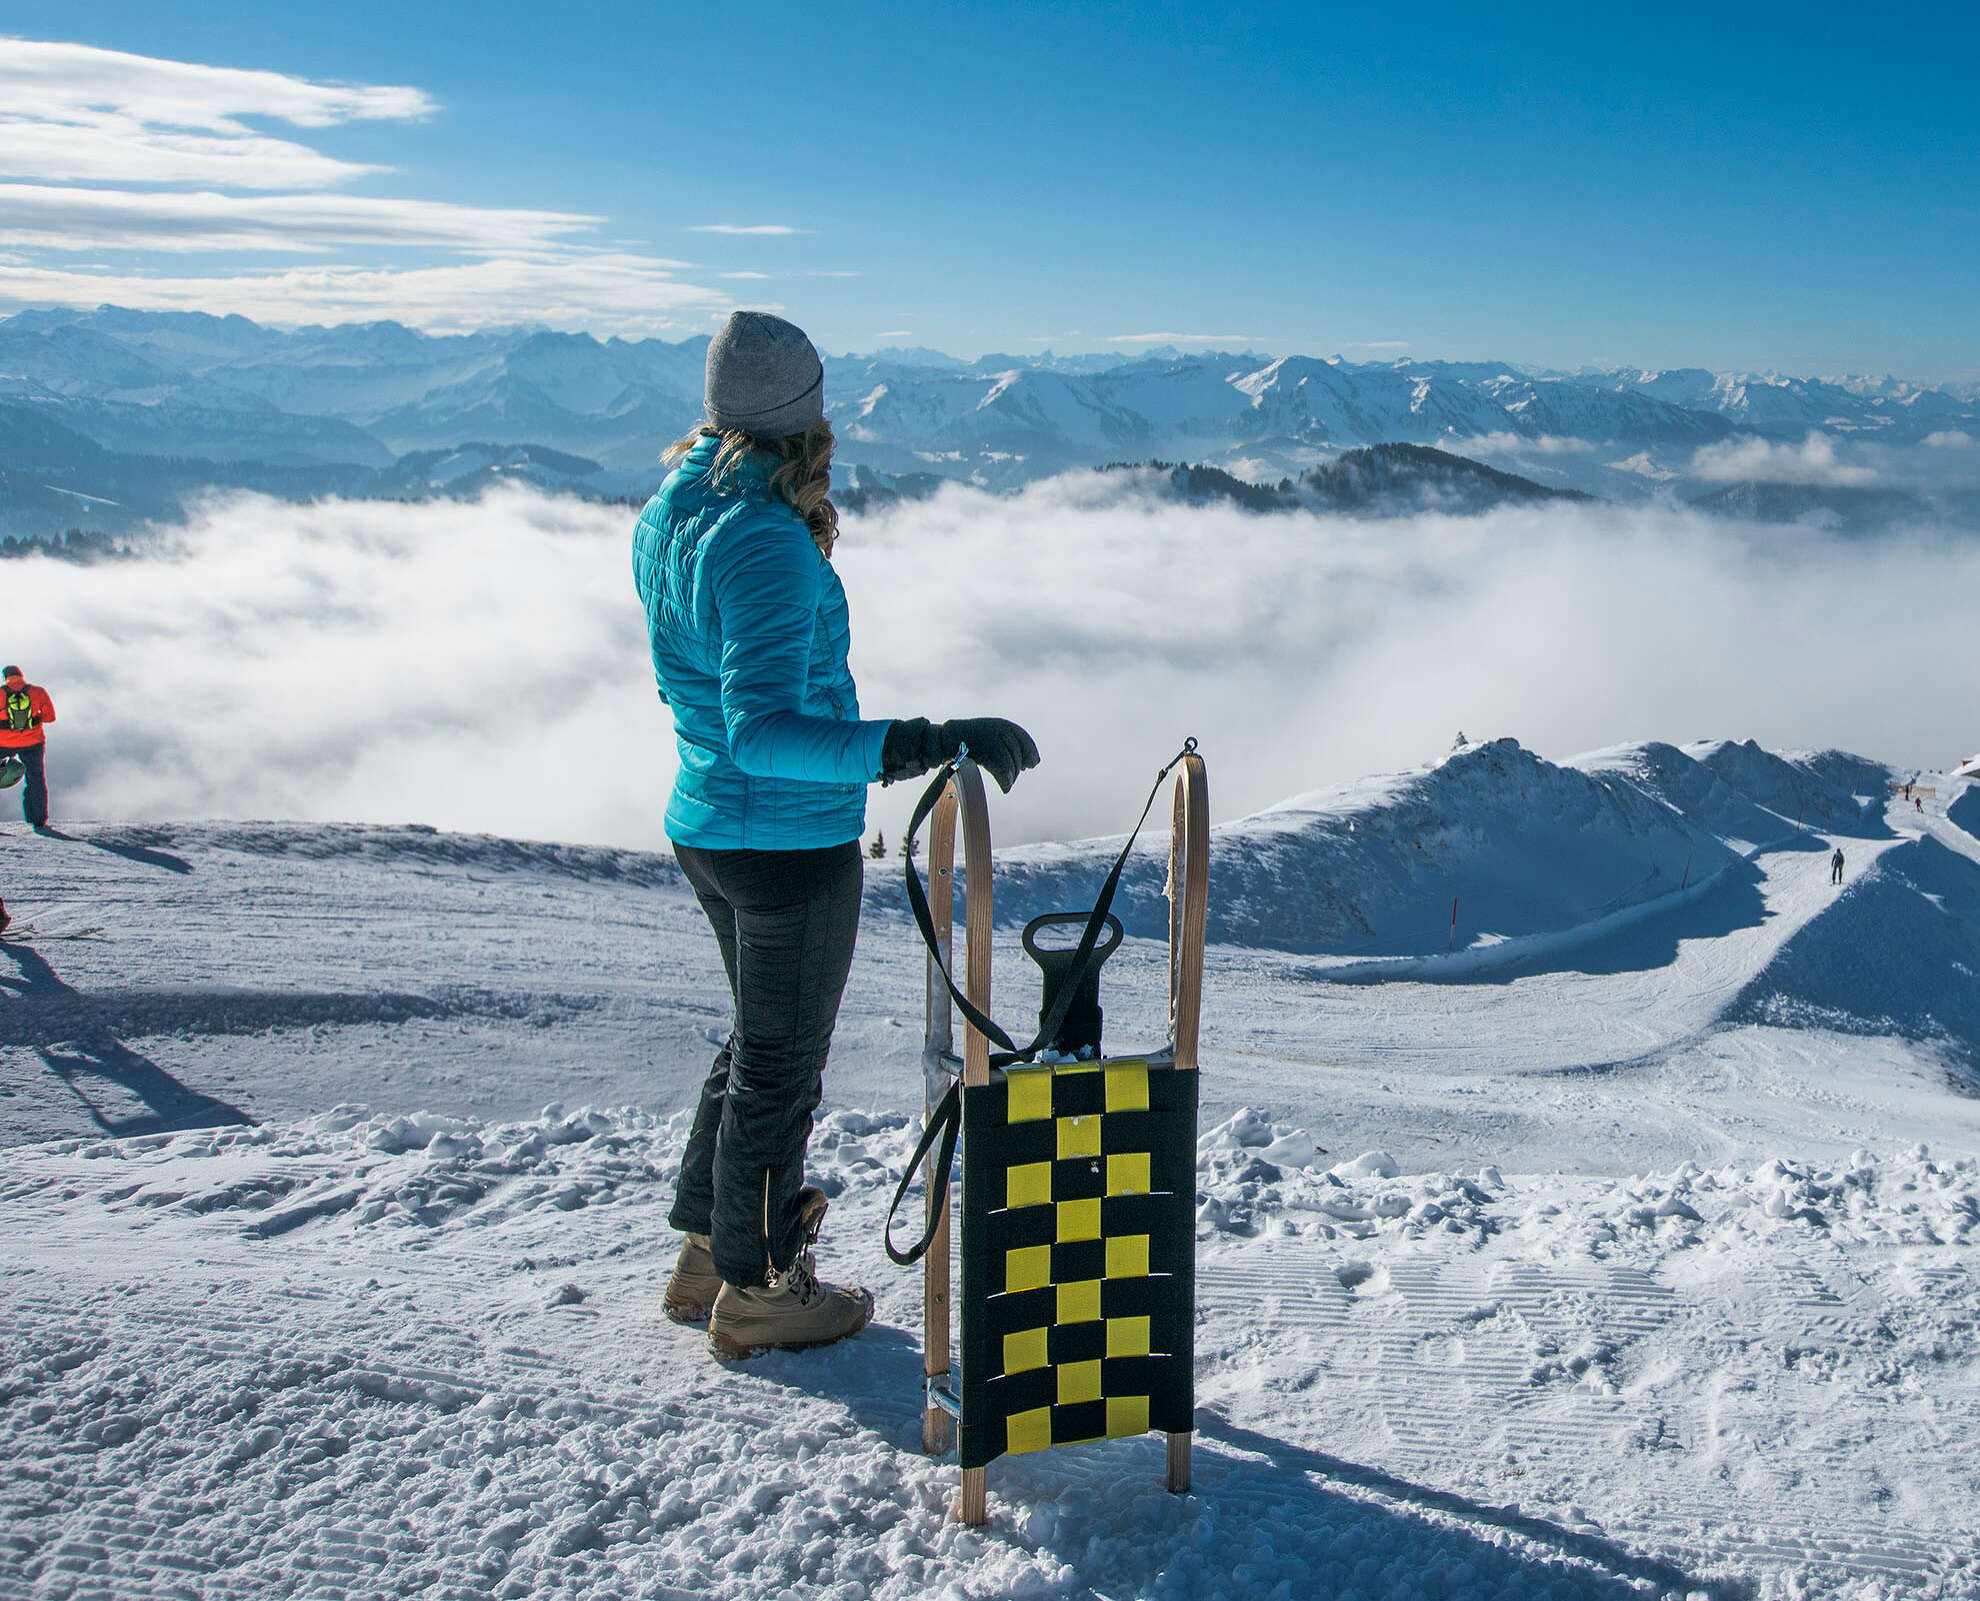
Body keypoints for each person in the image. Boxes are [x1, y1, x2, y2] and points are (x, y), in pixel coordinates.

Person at [633, 311, 1039, 1360]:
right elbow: (763, 727)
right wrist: (919, 741)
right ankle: (762, 1286)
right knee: (780, 1065)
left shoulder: (675, 506)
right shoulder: (761, 538)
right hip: (781, 843)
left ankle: (706, 1257)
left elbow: (718, 708)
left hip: (710, 823)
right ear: (797, 418)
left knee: (753, 1048)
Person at [1, 665, 55, 829]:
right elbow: (50, 718)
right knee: (35, 779)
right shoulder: (38, 692)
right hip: (33, 742)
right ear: (21, 675)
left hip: (3, 743)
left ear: (5, 677)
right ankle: (38, 820)